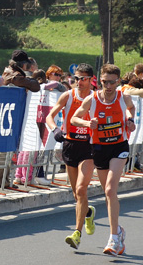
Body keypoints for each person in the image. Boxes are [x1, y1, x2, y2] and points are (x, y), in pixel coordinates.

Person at [71, 64, 136, 256]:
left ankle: (114, 239)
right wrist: (86, 123)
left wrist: (130, 120)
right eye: (104, 82)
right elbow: (74, 118)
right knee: (108, 195)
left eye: (112, 82)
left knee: (109, 189)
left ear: (118, 82)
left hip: (119, 146)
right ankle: (119, 230)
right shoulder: (92, 100)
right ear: (99, 81)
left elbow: (130, 110)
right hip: (99, 148)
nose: (108, 85)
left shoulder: (123, 97)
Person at [46, 63, 97, 250]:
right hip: (70, 144)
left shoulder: (95, 98)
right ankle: (88, 212)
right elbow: (49, 117)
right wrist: (55, 129)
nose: (79, 82)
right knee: (76, 194)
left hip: (89, 146)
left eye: (83, 78)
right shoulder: (67, 95)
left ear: (91, 79)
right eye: (76, 78)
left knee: (82, 190)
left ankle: (77, 233)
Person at [0, 50, 40, 188]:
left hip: (8, 114)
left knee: (7, 149)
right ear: (23, 64)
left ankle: (3, 180)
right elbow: (35, 86)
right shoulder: (16, 75)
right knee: (3, 149)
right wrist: (32, 80)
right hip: (8, 115)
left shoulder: (10, 71)